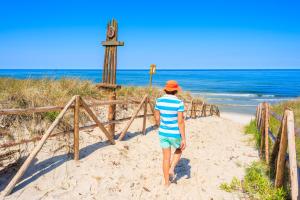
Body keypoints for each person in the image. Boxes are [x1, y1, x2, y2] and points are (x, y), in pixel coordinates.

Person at [154, 80, 186, 186]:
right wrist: (184, 138)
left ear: (166, 90)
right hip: (175, 133)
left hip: (163, 132)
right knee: (180, 148)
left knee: (165, 158)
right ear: (176, 90)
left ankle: (166, 183)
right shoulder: (179, 103)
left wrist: (160, 125)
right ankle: (172, 169)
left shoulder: (159, 101)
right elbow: (180, 122)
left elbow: (157, 118)